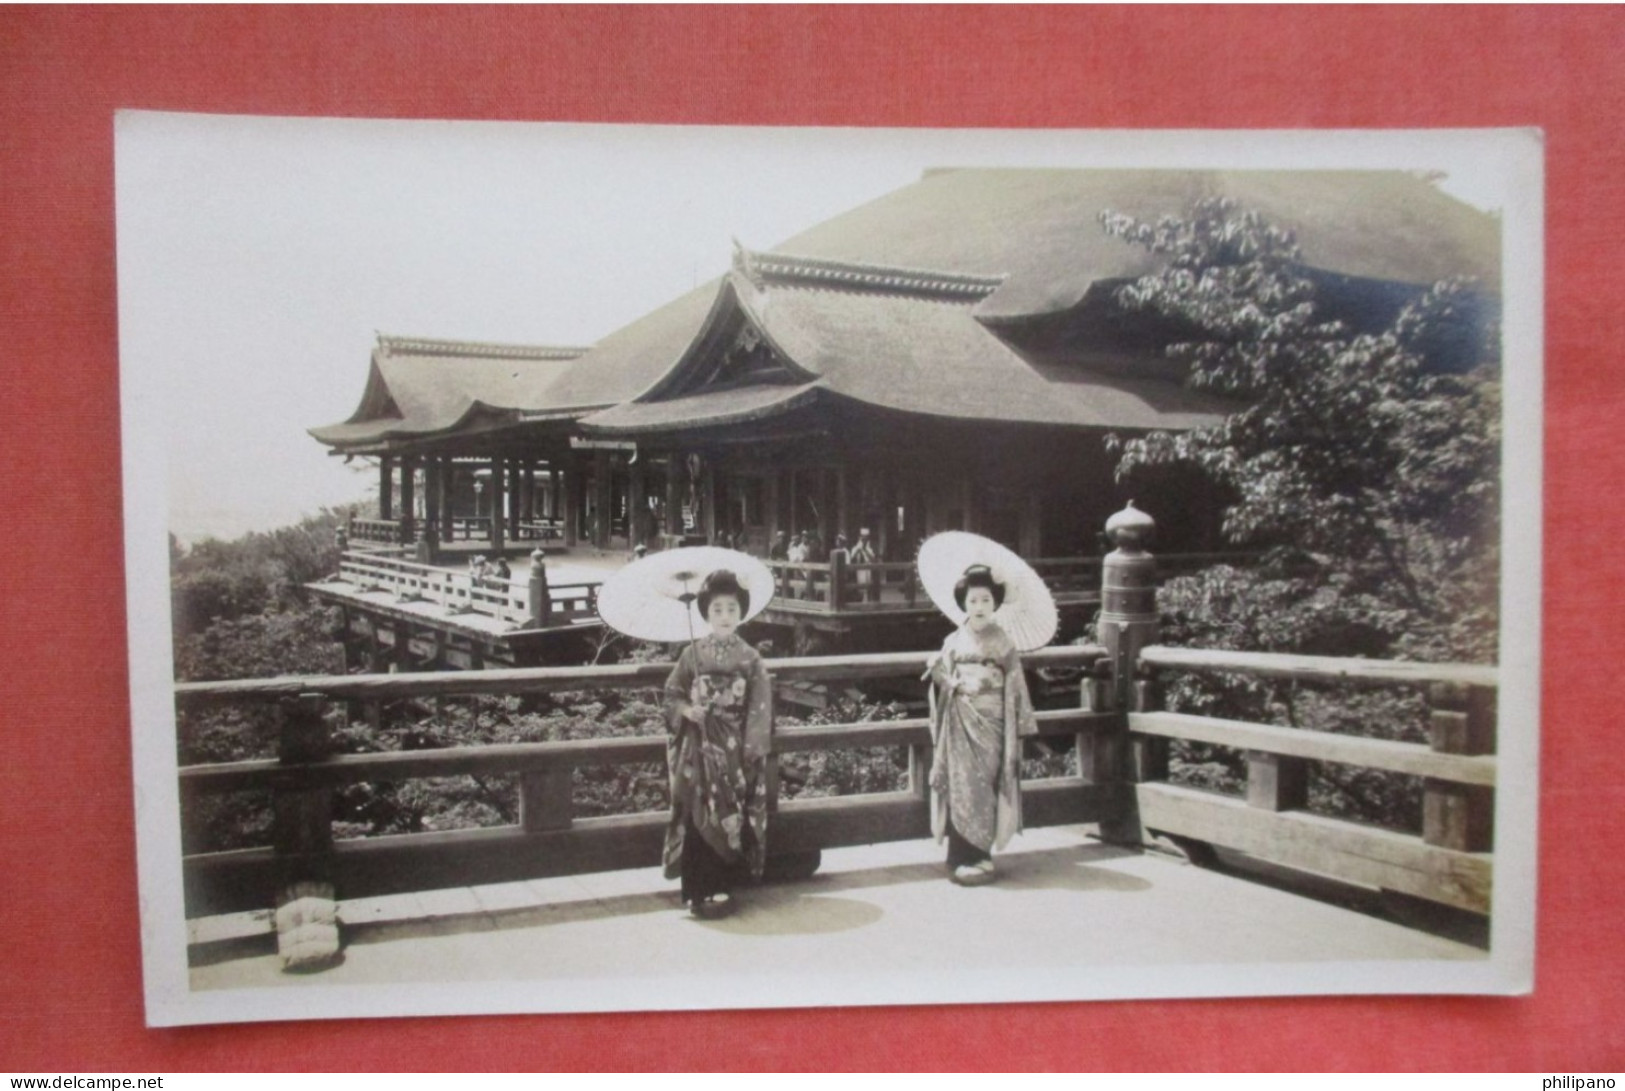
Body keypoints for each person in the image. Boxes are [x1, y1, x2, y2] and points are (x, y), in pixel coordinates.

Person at [661, 570, 773, 918]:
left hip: (733, 745)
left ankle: (723, 886)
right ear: (706, 614)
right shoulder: (691, 654)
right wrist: (686, 710)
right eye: (717, 610)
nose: (725, 617)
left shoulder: (749, 658)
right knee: (697, 814)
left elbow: (760, 705)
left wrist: (752, 747)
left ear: (741, 614)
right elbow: (671, 694)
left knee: (728, 813)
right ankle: (695, 891)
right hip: (698, 746)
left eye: (731, 609)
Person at [924, 564, 1038, 885]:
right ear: (964, 603)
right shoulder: (953, 640)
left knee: (985, 785)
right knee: (962, 784)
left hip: (993, 722)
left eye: (986, 600)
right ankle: (959, 855)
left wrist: (990, 688)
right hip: (960, 718)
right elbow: (944, 681)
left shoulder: (1005, 643)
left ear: (995, 603)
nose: (979, 607)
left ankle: (982, 856)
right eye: (973, 601)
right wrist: (938, 675)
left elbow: (1014, 685)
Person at [850, 527, 878, 602]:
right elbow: (852, 558)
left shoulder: (869, 549)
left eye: (866, 539)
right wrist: (859, 549)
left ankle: (868, 602)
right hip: (859, 571)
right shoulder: (855, 548)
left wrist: (865, 549)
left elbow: (873, 559)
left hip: (868, 570)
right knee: (860, 589)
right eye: (863, 539)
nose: (864, 541)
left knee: (868, 588)